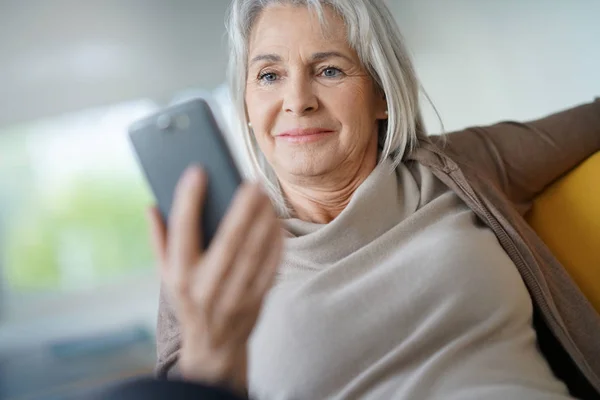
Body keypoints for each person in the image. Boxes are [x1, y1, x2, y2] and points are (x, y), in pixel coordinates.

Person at [147, 0, 600, 399]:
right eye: (269, 75)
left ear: (381, 93)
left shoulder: (459, 165)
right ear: (246, 104)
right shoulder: (212, 256)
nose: (297, 100)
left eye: (329, 70)